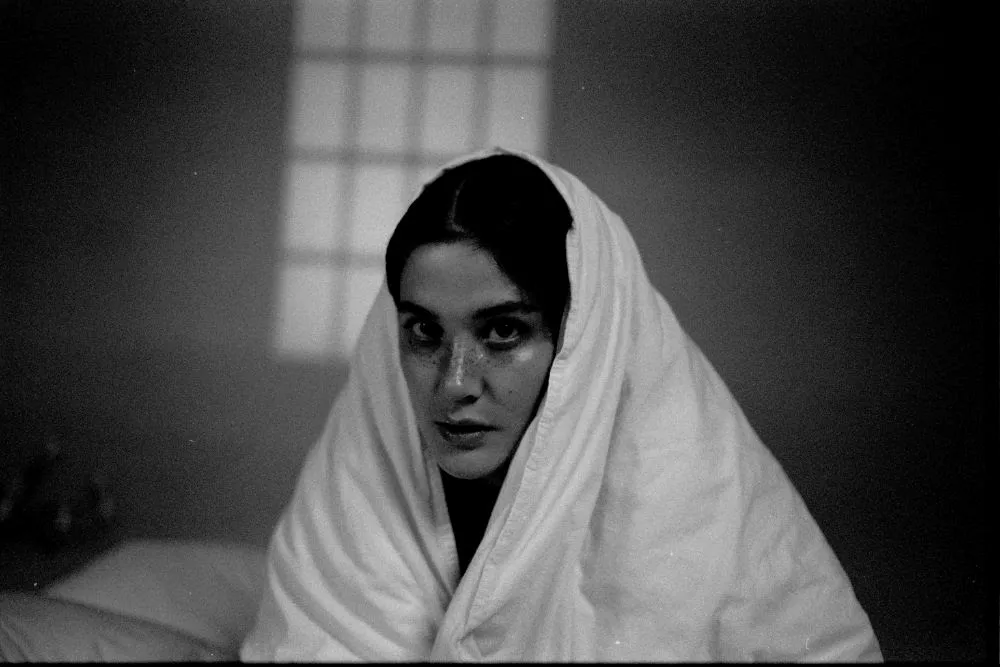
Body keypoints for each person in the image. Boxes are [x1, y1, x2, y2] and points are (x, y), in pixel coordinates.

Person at [241, 149, 882, 661]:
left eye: (503, 332)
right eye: (424, 332)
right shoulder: (360, 477)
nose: (455, 384)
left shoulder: (700, 499)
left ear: (578, 341)